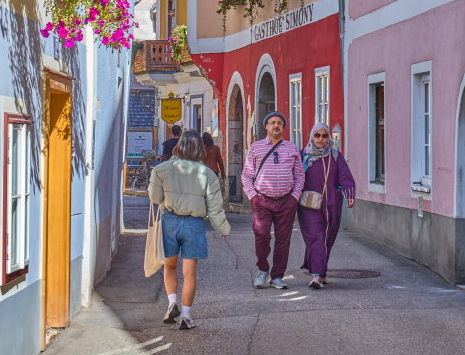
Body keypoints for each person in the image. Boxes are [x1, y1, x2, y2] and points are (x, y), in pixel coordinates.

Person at [149, 129, 230, 330]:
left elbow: (155, 198)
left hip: (169, 222)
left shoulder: (161, 169)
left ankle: (171, 303)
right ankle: (186, 315)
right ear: (199, 149)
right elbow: (215, 207)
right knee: (190, 273)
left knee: (169, 266)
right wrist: (222, 228)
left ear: (179, 146)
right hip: (194, 224)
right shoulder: (207, 174)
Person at [241, 110, 304, 290]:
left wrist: (294, 196)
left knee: (283, 239)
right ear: (266, 126)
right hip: (262, 200)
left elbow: (300, 175)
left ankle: (277, 276)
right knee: (261, 234)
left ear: (283, 127)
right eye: (272, 123)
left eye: (279, 123)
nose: (276, 126)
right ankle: (262, 269)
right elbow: (246, 175)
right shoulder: (256, 147)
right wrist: (253, 196)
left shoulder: (292, 148)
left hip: (286, 201)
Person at [298, 120, 355, 289]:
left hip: (331, 205)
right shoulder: (303, 155)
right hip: (308, 206)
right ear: (312, 136)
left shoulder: (335, 156)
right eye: (317, 135)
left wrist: (349, 194)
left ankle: (320, 272)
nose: (320, 139)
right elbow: (293, 177)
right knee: (316, 237)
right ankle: (316, 276)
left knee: (327, 237)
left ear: (328, 137)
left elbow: (344, 176)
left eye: (324, 136)